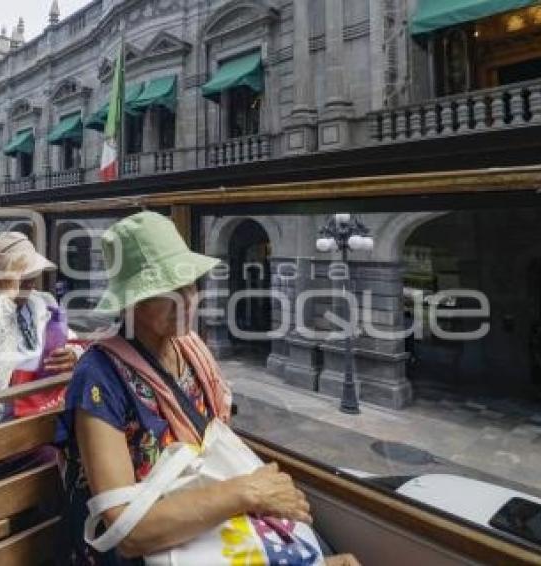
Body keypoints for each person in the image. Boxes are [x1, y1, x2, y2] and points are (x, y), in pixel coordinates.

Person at [56, 212, 359, 565]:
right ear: (131, 301)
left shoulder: (191, 350)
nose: (188, 299)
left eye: (191, 285)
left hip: (199, 529)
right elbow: (127, 530)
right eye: (167, 291)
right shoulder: (98, 376)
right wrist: (246, 492)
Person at [0, 231, 81, 436]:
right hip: (0, 415)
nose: (31, 282)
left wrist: (73, 354)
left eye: (33, 274)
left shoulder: (43, 300)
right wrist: (5, 298)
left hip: (46, 402)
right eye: (24, 277)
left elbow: (74, 340)